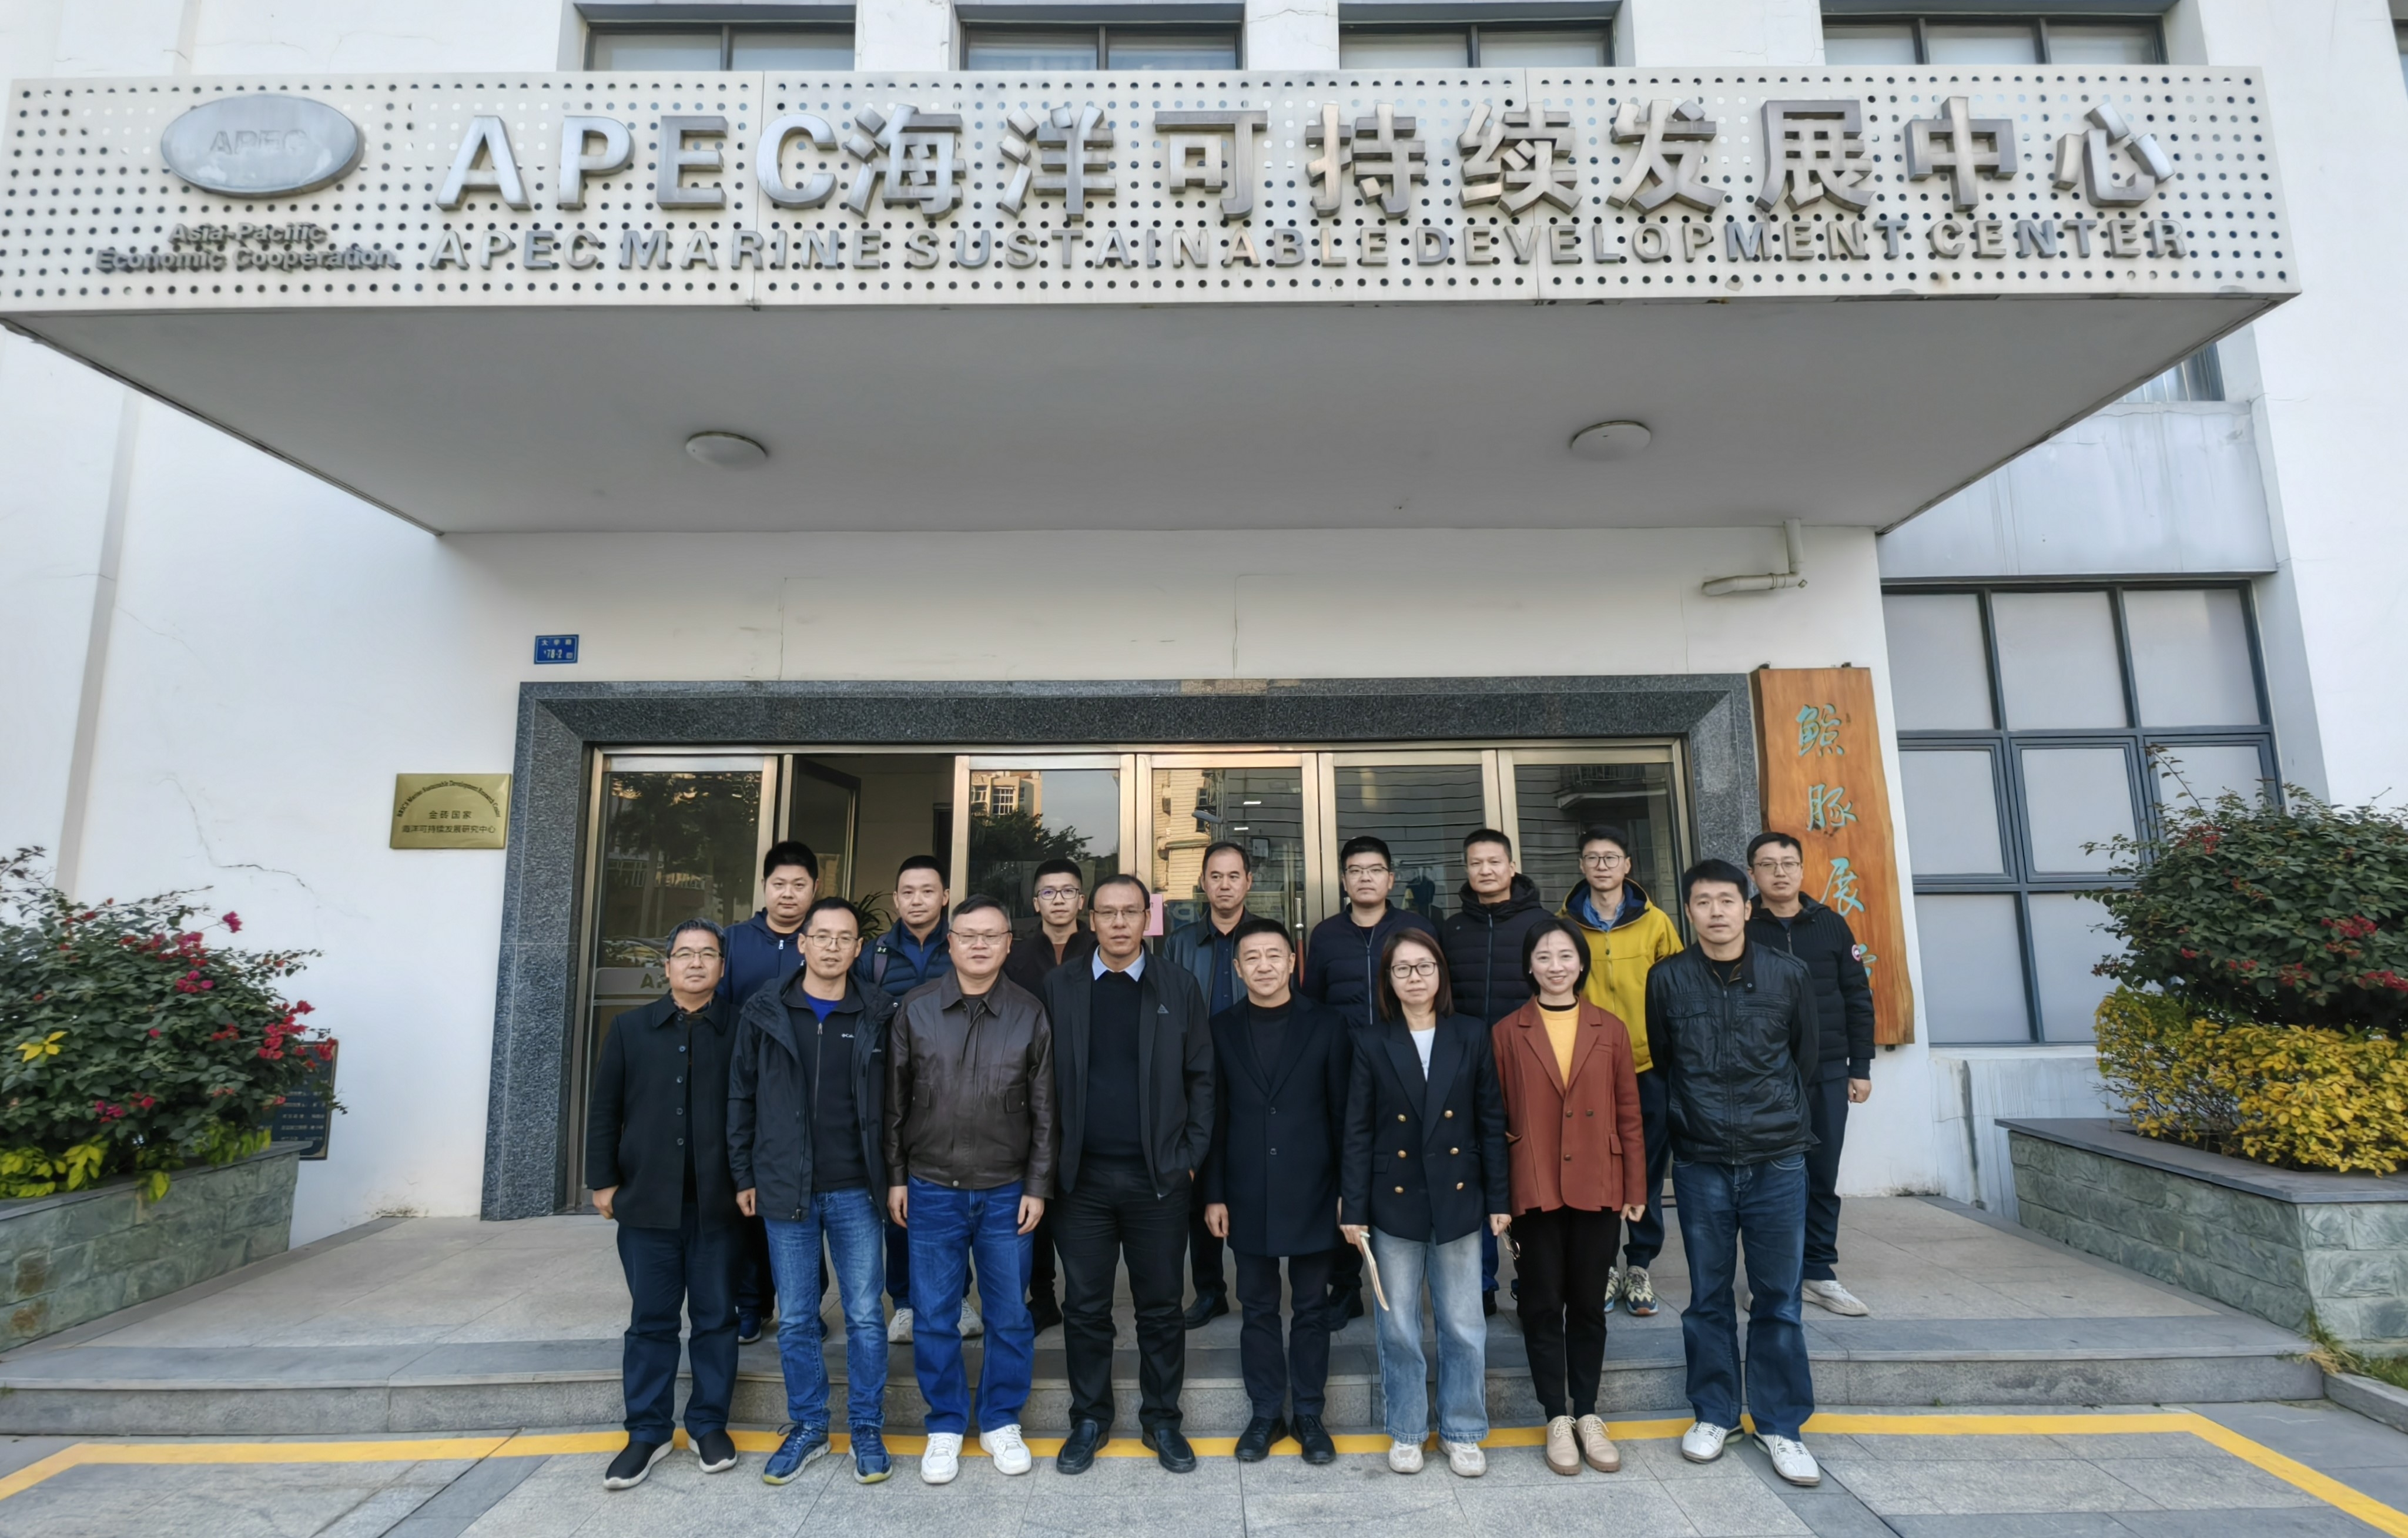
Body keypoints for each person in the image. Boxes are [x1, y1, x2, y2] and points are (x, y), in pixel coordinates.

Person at [1647, 859, 1823, 1489]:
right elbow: (1663, 1061)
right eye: (1703, 901)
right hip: (1701, 1161)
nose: (1716, 911)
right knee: (1707, 1297)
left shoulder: (1788, 974)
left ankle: (1780, 1424)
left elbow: (1804, 1059)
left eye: (1726, 900)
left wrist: (1772, 1118)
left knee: (1777, 1298)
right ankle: (1714, 1412)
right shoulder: (1666, 978)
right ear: (1687, 911)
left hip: (1776, 1158)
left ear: (1747, 908)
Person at [1042, 873, 1215, 1475]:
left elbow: (1202, 1078)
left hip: (1157, 1179)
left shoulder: (1178, 984)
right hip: (1080, 1181)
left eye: (1130, 912)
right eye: (1108, 912)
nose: (1119, 923)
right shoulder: (1059, 985)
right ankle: (1089, 1418)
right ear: (1090, 920)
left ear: (1148, 919)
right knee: (1085, 1306)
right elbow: (1038, 1078)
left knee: (1161, 1306)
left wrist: (1188, 1157)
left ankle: (1162, 1419)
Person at [882, 894, 1054, 1486]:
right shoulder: (916, 1007)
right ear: (950, 943)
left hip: (1007, 1190)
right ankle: (946, 1422)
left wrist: (1037, 1184)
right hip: (931, 1186)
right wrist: (897, 1177)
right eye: (967, 935)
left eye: (991, 936)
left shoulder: (1029, 1011)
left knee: (1009, 1314)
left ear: (1008, 944)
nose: (979, 945)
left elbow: (1045, 1109)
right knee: (933, 1315)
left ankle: (1001, 1418)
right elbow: (894, 1104)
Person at [729, 897, 896, 1487]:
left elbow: (897, 1103)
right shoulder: (764, 1010)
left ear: (858, 948)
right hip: (784, 1186)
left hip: (857, 1188)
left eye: (843, 937)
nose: (831, 946)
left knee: (865, 1315)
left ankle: (867, 1425)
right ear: (802, 943)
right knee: (798, 1316)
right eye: (820, 935)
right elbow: (741, 1095)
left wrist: (894, 1176)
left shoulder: (880, 1010)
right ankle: (808, 1425)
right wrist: (743, 1174)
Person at [1340, 929, 1510, 1480]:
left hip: (1459, 1196)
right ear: (1388, 980)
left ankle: (1462, 1430)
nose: (1415, 977)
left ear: (1440, 973)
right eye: (1402, 969)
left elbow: (1490, 1120)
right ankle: (1407, 1429)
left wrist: (1499, 1198)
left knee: (1463, 1324)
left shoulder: (1471, 1033)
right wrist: (1353, 1209)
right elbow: (1357, 1130)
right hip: (1393, 1200)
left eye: (1424, 966)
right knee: (1397, 1326)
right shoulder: (1371, 1041)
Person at [585, 919, 742, 1490]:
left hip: (719, 1206)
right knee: (651, 1320)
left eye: (708, 954)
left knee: (716, 1318)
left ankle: (708, 1424)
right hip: (647, 1203)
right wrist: (603, 1182)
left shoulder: (741, 1028)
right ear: (667, 964)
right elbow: (605, 1108)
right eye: (685, 953)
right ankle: (647, 1432)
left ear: (722, 966)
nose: (696, 963)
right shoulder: (630, 1029)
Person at [1491, 919, 1645, 1477]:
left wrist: (1635, 1185)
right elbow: (1494, 1117)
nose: (1555, 966)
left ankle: (1587, 1411)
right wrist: (1498, 1194)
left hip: (1598, 1182)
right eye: (1543, 956)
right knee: (1539, 1303)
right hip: (1533, 1183)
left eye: (1564, 956)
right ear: (1529, 966)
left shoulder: (1610, 1028)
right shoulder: (1506, 1031)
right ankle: (1555, 1415)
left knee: (1587, 1304)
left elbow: (1629, 1111)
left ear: (1581, 964)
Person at [1202, 916, 1347, 1467]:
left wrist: (1348, 1192)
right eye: (1251, 958)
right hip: (1246, 1191)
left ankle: (1308, 1412)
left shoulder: (1328, 1024)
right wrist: (1214, 1193)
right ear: (1237, 969)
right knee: (1257, 1306)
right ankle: (1266, 1411)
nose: (1263, 966)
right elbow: (1214, 1119)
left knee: (1311, 1307)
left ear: (1292, 962)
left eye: (1273, 956)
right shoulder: (1219, 1028)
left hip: (1315, 1189)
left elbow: (1344, 1116)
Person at [1303, 835, 1439, 1322]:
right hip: (1343, 1070)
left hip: (1407, 1066)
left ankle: (1412, 1280)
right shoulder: (1325, 935)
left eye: (1374, 869)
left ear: (1390, 878)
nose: (1365, 878)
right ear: (1343, 879)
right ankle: (1345, 1285)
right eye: (1356, 870)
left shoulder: (1416, 929)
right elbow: (1312, 1002)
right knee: (1348, 1172)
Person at [1746, 832, 1877, 1319]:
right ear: (1752, 873)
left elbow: (1857, 998)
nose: (1779, 872)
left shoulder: (1831, 924)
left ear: (1802, 870)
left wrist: (1859, 1067)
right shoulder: (1742, 926)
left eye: (1788, 863)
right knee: (1765, 1179)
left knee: (1821, 1174)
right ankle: (1769, 1276)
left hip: (1825, 1071)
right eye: (1767, 864)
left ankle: (1818, 1272)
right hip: (1763, 1074)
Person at [1558, 823, 1683, 1319]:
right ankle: (1604, 1264)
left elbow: (1679, 989)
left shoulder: (1656, 923)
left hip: (1648, 1065)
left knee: (1645, 1168)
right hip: (1587, 1068)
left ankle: (1639, 1264)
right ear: (1581, 866)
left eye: (1610, 857)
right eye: (1592, 858)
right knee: (1596, 1168)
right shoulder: (1564, 925)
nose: (1602, 866)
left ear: (1627, 865)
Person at [855, 855, 976, 1345]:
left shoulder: (964, 944)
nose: (917, 900)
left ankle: (958, 1296)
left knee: (959, 1198)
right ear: (895, 898)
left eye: (928, 891)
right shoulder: (875, 956)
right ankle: (905, 1302)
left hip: (959, 1093)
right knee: (900, 1200)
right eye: (908, 892)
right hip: (896, 1094)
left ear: (945, 896)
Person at [1439, 827, 1549, 1316]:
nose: (1484, 870)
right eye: (1475, 862)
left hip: (1527, 1066)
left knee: (1526, 1176)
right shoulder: (1450, 929)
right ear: (1466, 869)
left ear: (1511, 866)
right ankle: (1480, 1283)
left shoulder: (1541, 924)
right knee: (1472, 1175)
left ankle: (1530, 1280)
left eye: (1493, 861)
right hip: (1465, 1069)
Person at [721, 840, 820, 1345]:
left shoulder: (823, 939)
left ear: (815, 888)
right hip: (749, 1092)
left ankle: (807, 1304)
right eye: (779, 883)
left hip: (808, 1097)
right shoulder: (734, 941)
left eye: (799, 884)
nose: (788, 893)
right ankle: (752, 1303)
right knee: (750, 1205)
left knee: (807, 1204)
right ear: (764, 886)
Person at [1161, 840, 1254, 1327]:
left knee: (1253, 1178)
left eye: (1233, 875)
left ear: (1248, 882)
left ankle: (1257, 1286)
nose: (1224, 885)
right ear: (1202, 882)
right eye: (1215, 876)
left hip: (1254, 1073)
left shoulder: (1264, 937)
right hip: (1195, 1075)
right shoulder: (1178, 943)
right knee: (1199, 1184)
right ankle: (1210, 1289)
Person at [1002, 857, 1094, 1332]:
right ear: (1035, 901)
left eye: (1067, 891)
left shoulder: (1101, 948)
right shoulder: (1015, 957)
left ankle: (1085, 1300)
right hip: (1029, 1091)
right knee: (1034, 1195)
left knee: (1080, 1204)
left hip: (1090, 1090)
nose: (1058, 900)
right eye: (1048, 892)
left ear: (1082, 900)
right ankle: (1042, 1297)